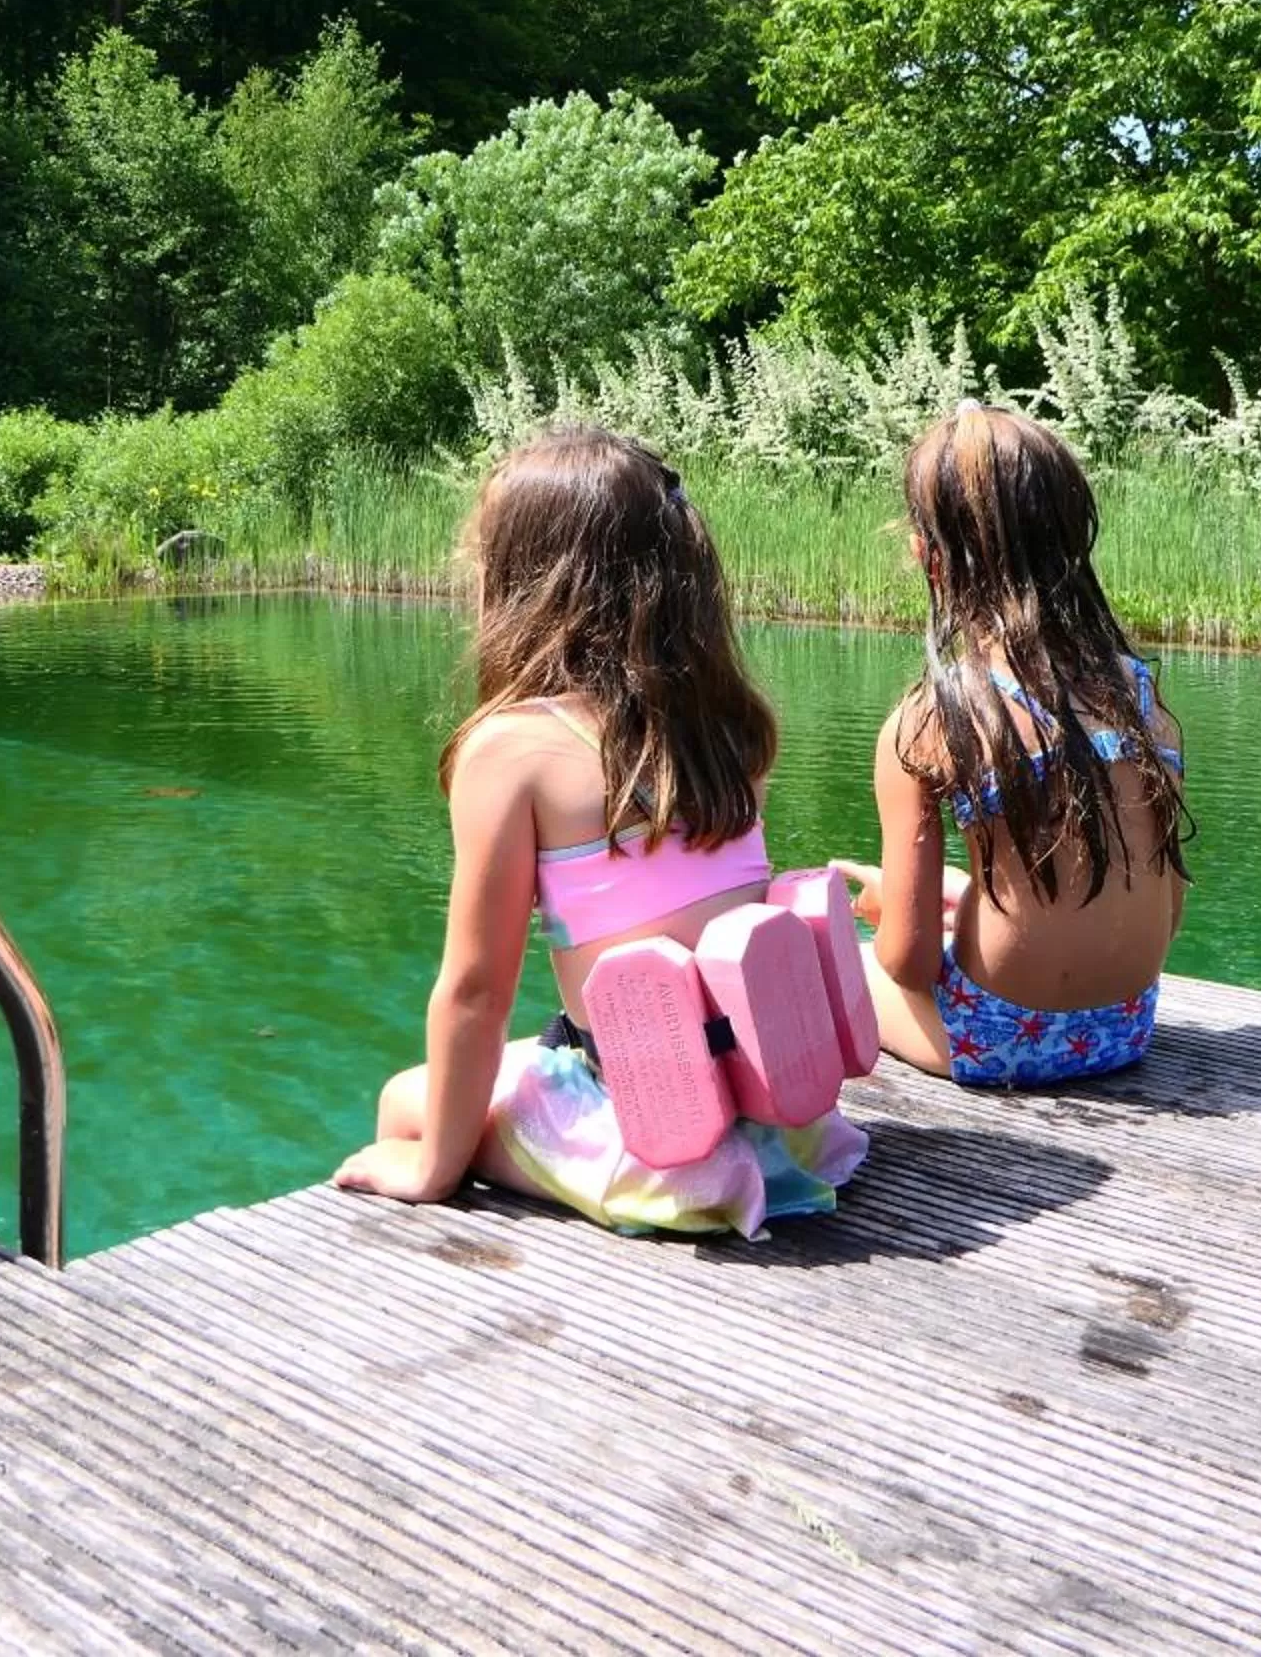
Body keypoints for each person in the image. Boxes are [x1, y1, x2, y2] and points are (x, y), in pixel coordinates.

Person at [333, 426, 866, 1235]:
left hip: (657, 1147)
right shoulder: (736, 727)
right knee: (530, 1055)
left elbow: (477, 991)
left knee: (405, 1099)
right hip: (786, 1128)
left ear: (521, 580)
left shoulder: (512, 750)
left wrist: (434, 1167)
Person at [837, 405, 1189, 1086]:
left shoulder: (930, 719)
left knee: (840, 964)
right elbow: (1167, 913)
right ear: (1073, 535)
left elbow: (906, 963)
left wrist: (896, 915)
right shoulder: (1142, 695)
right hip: (1125, 1027)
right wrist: (971, 898)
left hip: (998, 1045)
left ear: (927, 557)